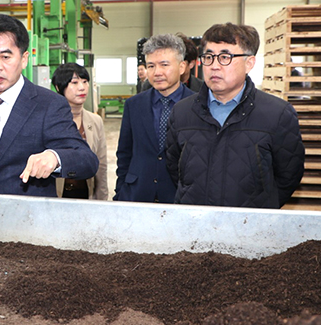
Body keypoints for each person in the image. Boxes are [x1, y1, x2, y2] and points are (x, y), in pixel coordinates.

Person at [166, 23, 305, 208]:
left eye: (225, 57)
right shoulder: (182, 112)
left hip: (250, 227)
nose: (214, 66)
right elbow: (175, 169)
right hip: (194, 225)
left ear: (249, 63)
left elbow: (288, 176)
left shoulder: (278, 114)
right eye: (209, 57)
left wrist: (260, 206)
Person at [0, 14, 98, 196]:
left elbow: (87, 160)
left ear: (24, 58)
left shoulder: (49, 104)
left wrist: (55, 157)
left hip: (29, 219)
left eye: (5, 56)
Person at [114, 33, 196, 203]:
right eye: (151, 66)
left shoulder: (197, 105)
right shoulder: (134, 105)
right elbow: (124, 153)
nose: (157, 72)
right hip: (137, 195)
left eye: (164, 65)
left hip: (178, 196)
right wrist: (121, 192)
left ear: (182, 67)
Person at [51, 63, 108, 200]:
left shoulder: (95, 121)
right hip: (55, 197)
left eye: (85, 81)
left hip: (85, 196)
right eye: (74, 82)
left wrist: (102, 200)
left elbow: (101, 166)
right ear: (59, 87)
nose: (82, 87)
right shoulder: (49, 120)